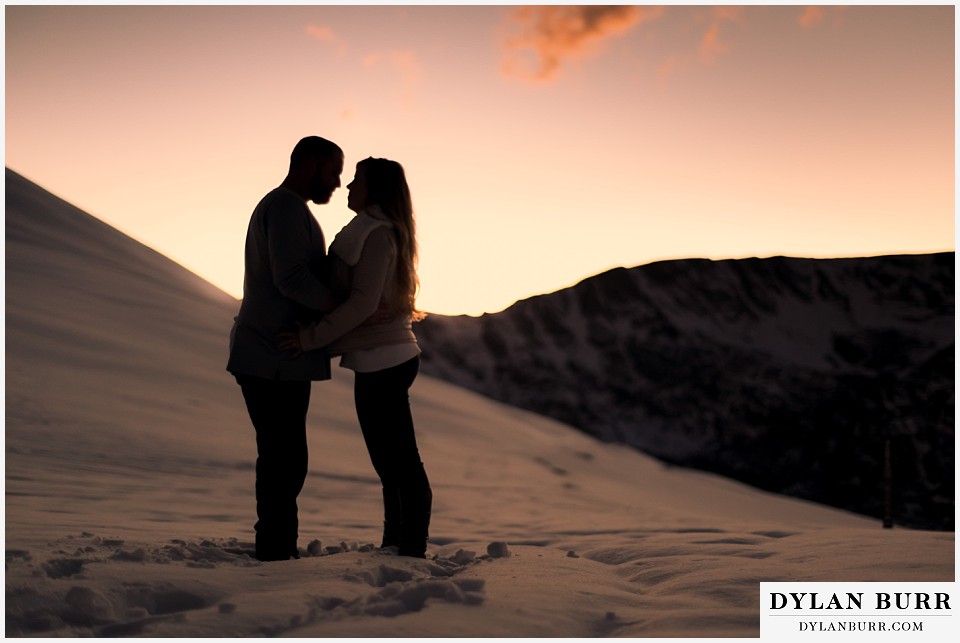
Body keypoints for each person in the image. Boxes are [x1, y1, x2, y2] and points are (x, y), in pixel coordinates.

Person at [278, 157, 432, 558]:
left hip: (387, 357)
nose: (347, 186)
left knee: (400, 461)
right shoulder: (366, 232)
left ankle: (409, 548)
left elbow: (362, 304)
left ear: (375, 190)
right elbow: (360, 302)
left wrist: (309, 339)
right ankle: (395, 543)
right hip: (376, 357)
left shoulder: (376, 235)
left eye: (357, 181)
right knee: (388, 460)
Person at [226, 136, 344, 562]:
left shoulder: (286, 207)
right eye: (333, 172)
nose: (337, 182)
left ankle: (276, 547)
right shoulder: (288, 208)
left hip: (274, 356)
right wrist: (344, 308)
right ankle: (275, 552)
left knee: (283, 456)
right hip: (272, 356)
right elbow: (291, 278)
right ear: (309, 164)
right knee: (284, 458)